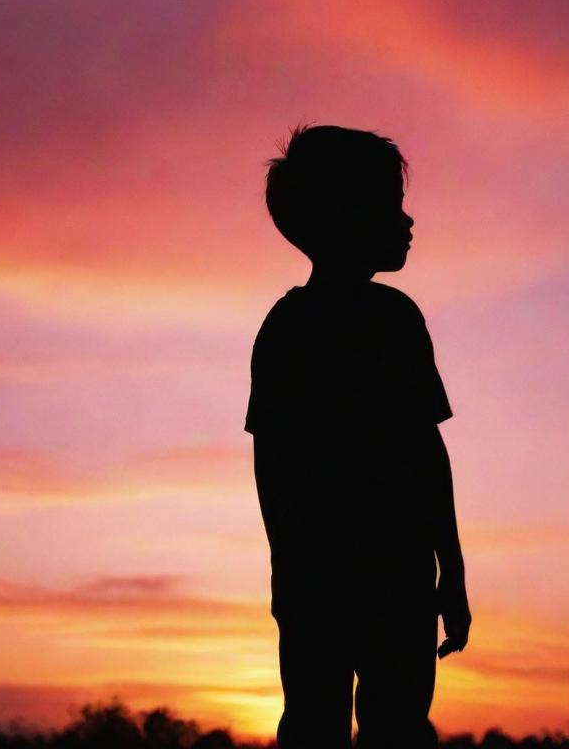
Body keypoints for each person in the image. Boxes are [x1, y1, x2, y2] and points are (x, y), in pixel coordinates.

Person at [245, 123, 471, 749]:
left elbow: (427, 454)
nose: (406, 221)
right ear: (344, 215)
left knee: (382, 726)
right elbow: (277, 467)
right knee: (329, 726)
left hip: (384, 577)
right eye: (390, 205)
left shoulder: (393, 321)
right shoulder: (296, 330)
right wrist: (293, 569)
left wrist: (449, 572)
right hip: (346, 576)